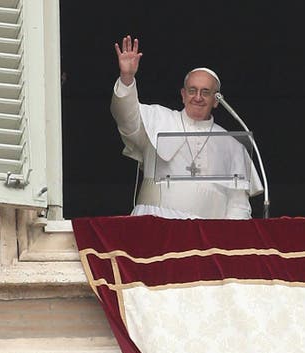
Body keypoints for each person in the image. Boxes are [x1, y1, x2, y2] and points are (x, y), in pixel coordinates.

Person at [111, 35, 262, 220]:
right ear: (183, 95)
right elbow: (126, 117)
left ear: (216, 101)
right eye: (192, 90)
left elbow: (238, 205)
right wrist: (127, 78)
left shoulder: (233, 145)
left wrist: (223, 241)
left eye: (205, 92)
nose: (198, 97)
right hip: (153, 226)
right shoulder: (158, 118)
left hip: (206, 238)